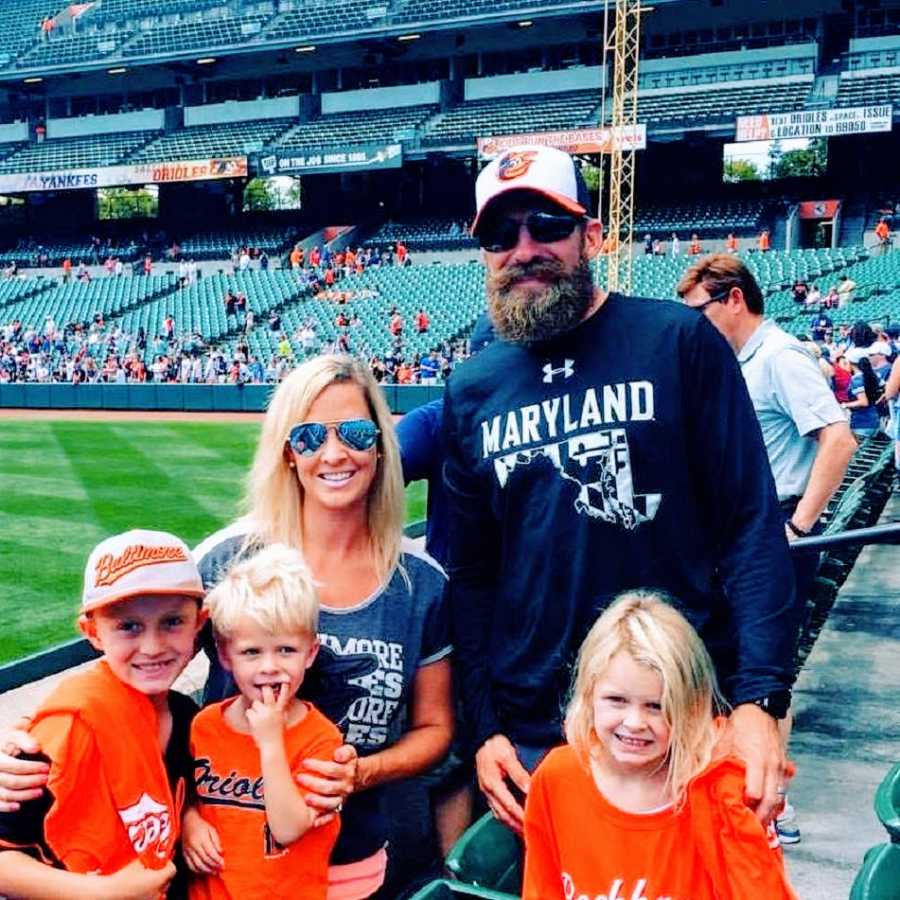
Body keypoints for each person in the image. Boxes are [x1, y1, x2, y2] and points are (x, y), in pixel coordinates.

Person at [445, 145, 798, 836]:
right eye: (500, 235)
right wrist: (484, 729)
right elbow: (473, 577)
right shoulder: (472, 388)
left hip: (678, 717)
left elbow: (750, 525)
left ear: (591, 235)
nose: (524, 249)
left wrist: (759, 701)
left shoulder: (676, 341)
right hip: (535, 738)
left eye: (547, 225)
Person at [192, 355, 453, 897]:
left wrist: (363, 771)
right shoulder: (224, 562)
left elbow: (435, 730)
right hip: (232, 865)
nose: (334, 454)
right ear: (288, 452)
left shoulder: (420, 584)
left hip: (354, 860)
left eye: (355, 433)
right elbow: (140, 685)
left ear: (381, 444)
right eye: (310, 436)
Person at [677, 254, 856, 843]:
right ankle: (754, 790)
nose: (693, 324)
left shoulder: (778, 356)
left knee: (764, 669)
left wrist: (799, 527)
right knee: (741, 666)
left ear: (732, 299)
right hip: (745, 531)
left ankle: (773, 810)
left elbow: (838, 438)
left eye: (699, 310)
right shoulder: (736, 361)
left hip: (774, 528)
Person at [523, 591, 797, 900]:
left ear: (692, 707)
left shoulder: (722, 792)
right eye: (616, 700)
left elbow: (762, 890)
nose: (635, 721)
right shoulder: (556, 778)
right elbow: (541, 888)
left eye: (657, 706)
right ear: (588, 694)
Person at [0, 530, 207, 899]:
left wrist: (190, 818)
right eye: (128, 626)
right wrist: (101, 893)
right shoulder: (68, 726)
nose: (152, 646)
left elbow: (184, 789)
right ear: (92, 632)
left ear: (199, 623)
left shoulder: (186, 714)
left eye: (173, 621)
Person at [183, 544, 341, 899]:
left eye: (286, 650)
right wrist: (189, 822)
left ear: (310, 653)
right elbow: (184, 793)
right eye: (251, 652)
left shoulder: (320, 738)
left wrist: (270, 742)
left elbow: (288, 829)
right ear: (225, 655)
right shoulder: (205, 726)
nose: (269, 666)